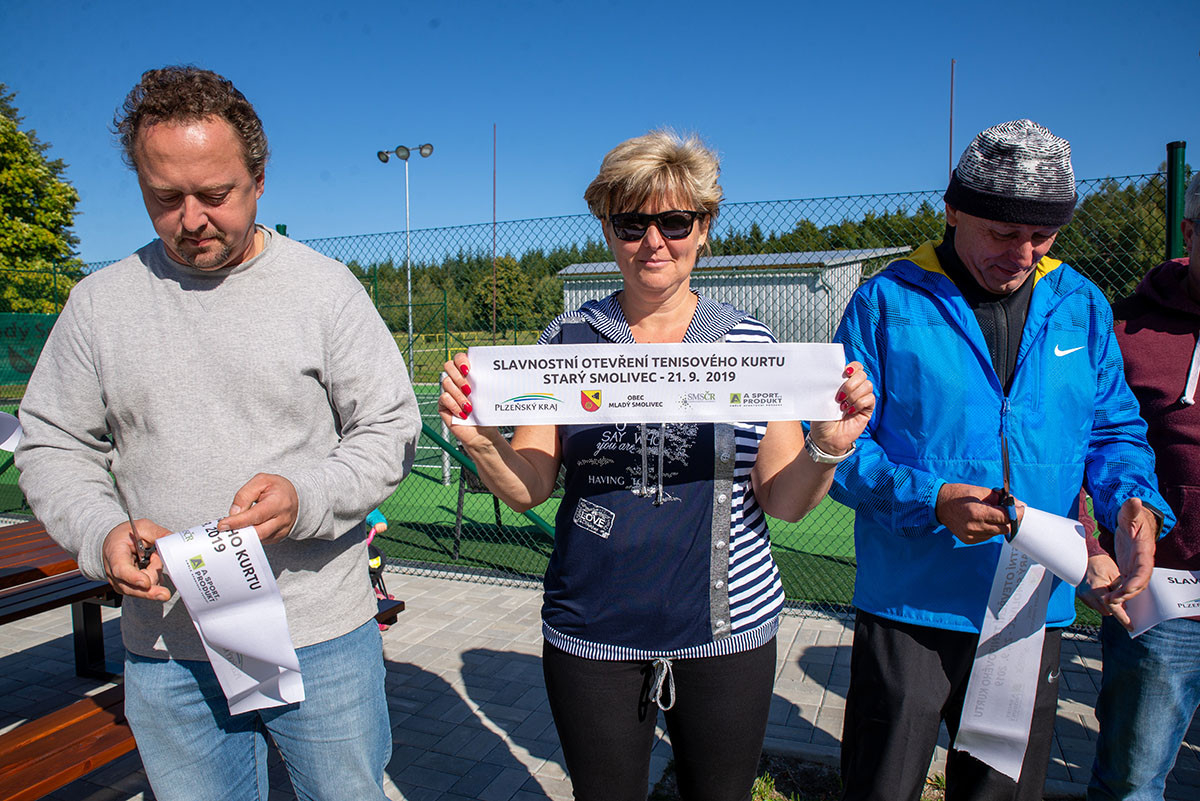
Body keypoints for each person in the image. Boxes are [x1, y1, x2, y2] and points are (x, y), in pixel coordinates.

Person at [15, 66, 420, 801]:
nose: (191, 219)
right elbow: (52, 443)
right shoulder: (99, 304)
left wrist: (306, 495)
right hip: (167, 645)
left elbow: (389, 427)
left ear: (259, 181)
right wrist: (101, 532)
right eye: (165, 198)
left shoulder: (324, 290)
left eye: (215, 194)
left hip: (318, 634)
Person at [438, 130, 875, 801]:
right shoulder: (567, 340)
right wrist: (478, 438)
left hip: (728, 632)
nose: (653, 242)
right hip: (593, 631)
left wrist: (827, 445)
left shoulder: (749, 343)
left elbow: (785, 500)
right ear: (606, 229)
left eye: (674, 222)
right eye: (630, 223)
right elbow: (530, 486)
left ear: (704, 228)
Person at [829, 119, 1172, 801]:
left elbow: (1114, 430)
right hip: (909, 604)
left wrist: (1132, 502)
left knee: (1000, 793)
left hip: (1028, 605)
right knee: (880, 787)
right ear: (953, 210)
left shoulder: (1081, 305)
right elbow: (839, 452)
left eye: (1042, 236)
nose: (1022, 254)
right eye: (1003, 232)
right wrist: (932, 500)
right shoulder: (886, 301)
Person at [1084, 171, 1200, 801]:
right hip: (1163, 594)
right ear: (1189, 231)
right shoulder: (1125, 330)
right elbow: (1090, 442)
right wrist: (1088, 545)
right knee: (1133, 779)